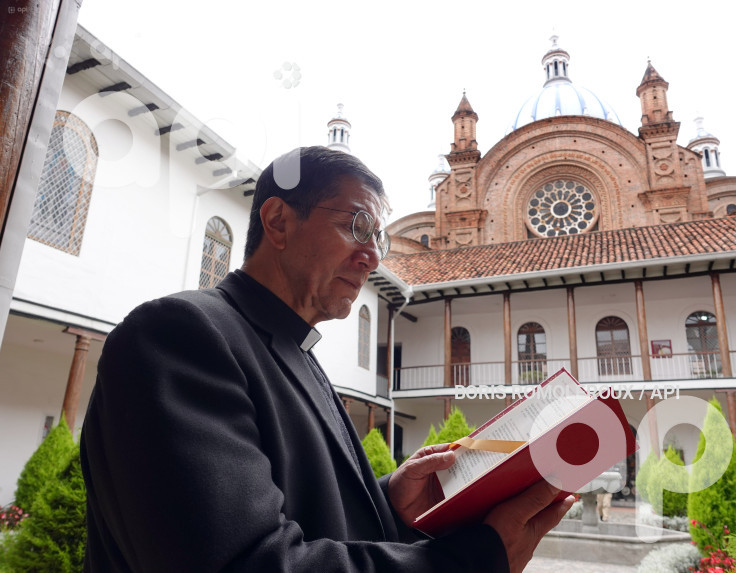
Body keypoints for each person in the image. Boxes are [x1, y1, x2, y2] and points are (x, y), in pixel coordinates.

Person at [80, 146, 574, 573]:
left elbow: (295, 511)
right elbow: (240, 561)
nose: (373, 257)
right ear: (278, 221)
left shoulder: (295, 351)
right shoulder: (182, 335)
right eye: (356, 226)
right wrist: (473, 560)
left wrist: (388, 501)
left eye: (378, 239)